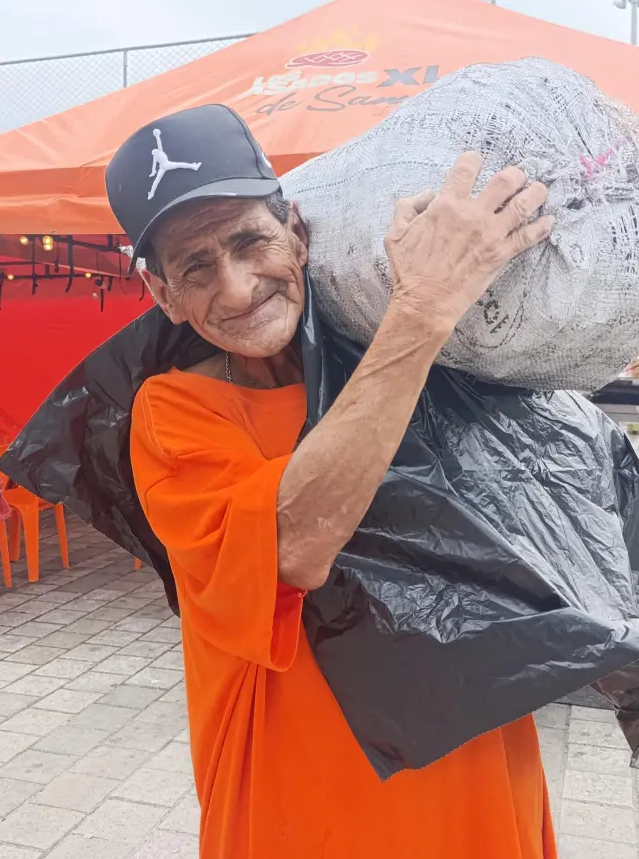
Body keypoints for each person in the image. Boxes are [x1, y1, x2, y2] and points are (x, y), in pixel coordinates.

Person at [105, 103, 558, 859]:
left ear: (299, 235)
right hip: (307, 799)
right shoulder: (175, 415)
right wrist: (423, 309)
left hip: (468, 754)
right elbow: (294, 545)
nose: (239, 287)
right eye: (196, 267)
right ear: (163, 297)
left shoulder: (408, 349)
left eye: (251, 241)